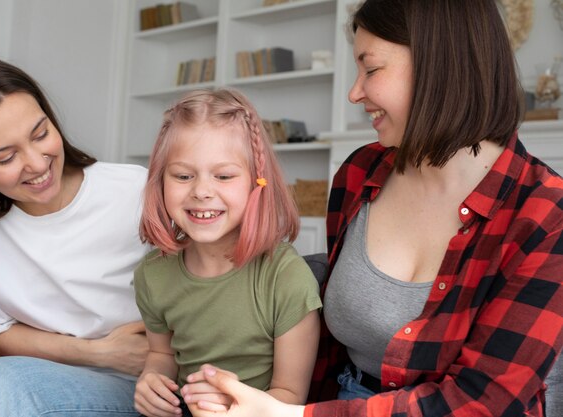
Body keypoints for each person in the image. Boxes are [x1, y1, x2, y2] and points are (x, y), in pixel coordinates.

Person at [183, 0, 563, 416]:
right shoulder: (360, 172)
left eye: (372, 69)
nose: (354, 92)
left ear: (439, 65)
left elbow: (483, 402)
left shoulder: (547, 214)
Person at [0, 56, 150, 417]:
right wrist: (98, 352)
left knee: (7, 380)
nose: (37, 163)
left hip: (143, 383)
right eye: (6, 157)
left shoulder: (135, 191)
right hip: (55, 371)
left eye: (40, 134)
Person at [133, 88, 322, 417]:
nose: (202, 191)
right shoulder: (152, 274)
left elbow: (290, 394)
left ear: (256, 182)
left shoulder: (285, 277)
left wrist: (233, 405)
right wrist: (152, 381)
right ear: (159, 182)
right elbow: (161, 355)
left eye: (223, 176)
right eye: (182, 176)